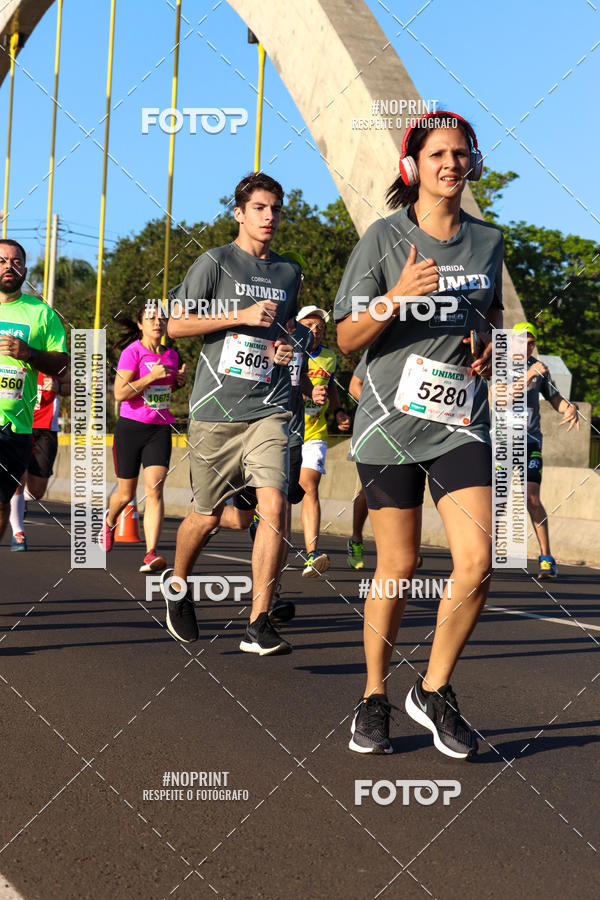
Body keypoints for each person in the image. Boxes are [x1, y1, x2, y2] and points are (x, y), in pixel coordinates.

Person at [334, 111, 504, 758]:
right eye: (439, 154)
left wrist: (486, 343)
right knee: (398, 567)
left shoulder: (488, 241)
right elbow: (347, 336)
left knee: (478, 561)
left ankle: (433, 688)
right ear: (414, 165)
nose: (452, 164)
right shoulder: (383, 239)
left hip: (460, 418)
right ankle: (374, 696)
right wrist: (396, 295)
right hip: (389, 422)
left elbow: (489, 314)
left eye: (462, 154)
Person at [163, 172, 300, 655]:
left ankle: (258, 621)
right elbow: (176, 324)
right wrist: (237, 317)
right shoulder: (214, 262)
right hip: (216, 412)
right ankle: (177, 585)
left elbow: (286, 334)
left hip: (269, 407)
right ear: (239, 213)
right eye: (260, 208)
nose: (269, 217)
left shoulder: (289, 272)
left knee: (275, 508)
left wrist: (286, 349)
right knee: (205, 517)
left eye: (276, 208)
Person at [99, 305, 187, 572]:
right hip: (130, 428)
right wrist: (151, 376)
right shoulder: (132, 353)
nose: (157, 322)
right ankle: (110, 520)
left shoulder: (172, 354)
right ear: (140, 324)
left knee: (155, 489)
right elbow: (120, 394)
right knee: (126, 493)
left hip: (159, 429)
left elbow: (168, 385)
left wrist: (178, 381)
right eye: (150, 318)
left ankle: (150, 553)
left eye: (161, 318)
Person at [0, 240, 68, 543]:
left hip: (17, 426)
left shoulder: (42, 315)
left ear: (24, 269)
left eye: (15, 261)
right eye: (1, 260)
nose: (8, 266)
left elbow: (62, 365)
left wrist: (29, 354)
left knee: (2, 504)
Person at [513, 321, 580, 579]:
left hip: (530, 442)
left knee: (531, 499)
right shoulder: (498, 366)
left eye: (531, 343)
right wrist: (528, 375)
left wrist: (569, 407)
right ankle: (484, 556)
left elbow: (556, 400)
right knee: (495, 502)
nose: (528, 347)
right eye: (523, 342)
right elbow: (500, 396)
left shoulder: (540, 370)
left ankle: (546, 558)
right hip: (499, 443)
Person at [346, 353, 423, 571]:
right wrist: (379, 414)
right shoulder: (385, 347)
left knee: (411, 489)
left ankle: (405, 547)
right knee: (370, 490)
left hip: (413, 433)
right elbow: (354, 385)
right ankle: (356, 538)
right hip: (380, 432)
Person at [298, 305, 351, 577]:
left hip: (315, 432)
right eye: (309, 325)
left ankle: (312, 553)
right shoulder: (286, 352)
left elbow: (330, 386)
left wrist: (338, 410)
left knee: (309, 485)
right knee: (279, 495)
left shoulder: (329, 358)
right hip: (285, 430)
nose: (315, 331)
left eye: (320, 327)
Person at [9, 366, 71, 550]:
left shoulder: (49, 363)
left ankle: (20, 502)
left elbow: (74, 386)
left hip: (45, 429)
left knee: (37, 491)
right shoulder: (11, 363)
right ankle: (18, 532)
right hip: (17, 425)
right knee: (18, 478)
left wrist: (58, 387)